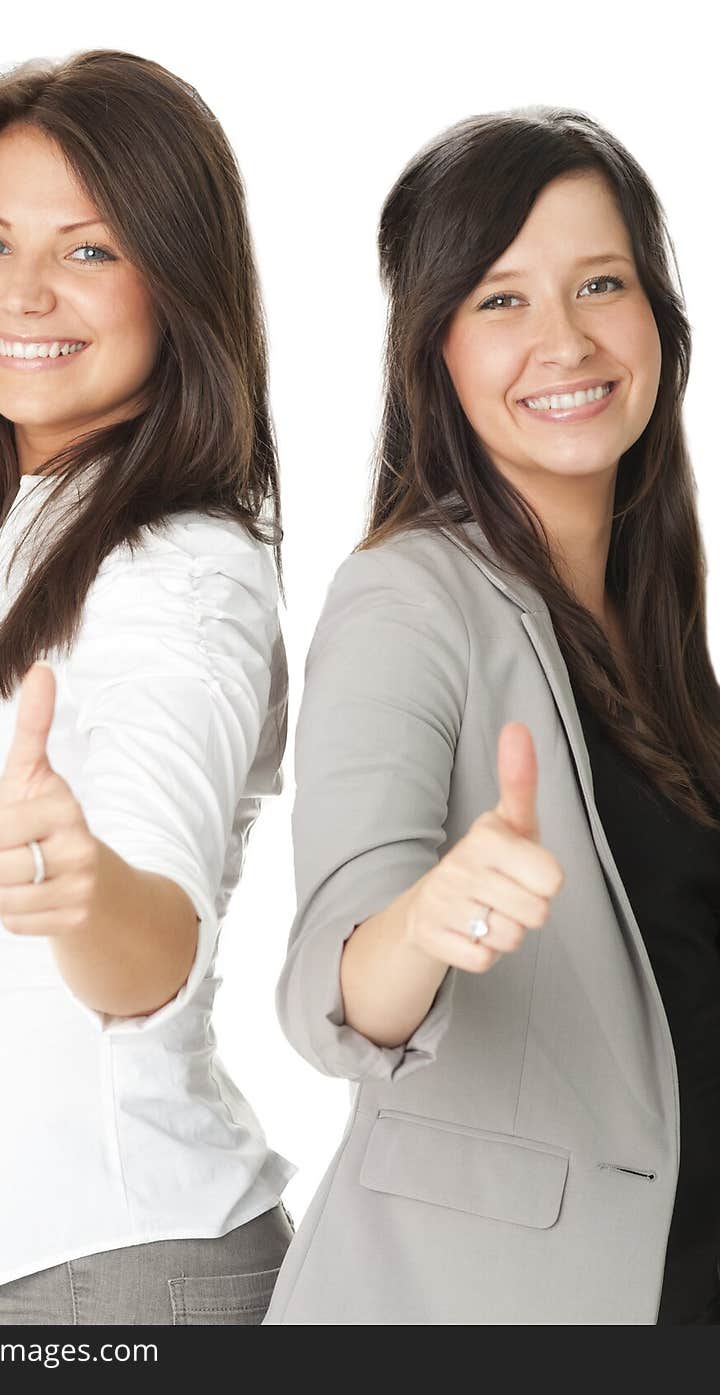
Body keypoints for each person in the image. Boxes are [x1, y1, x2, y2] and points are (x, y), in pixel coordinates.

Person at [263, 106, 720, 1326]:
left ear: (661, 326)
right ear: (437, 355)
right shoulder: (406, 598)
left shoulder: (662, 626)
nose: (563, 341)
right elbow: (333, 984)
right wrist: (431, 915)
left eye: (599, 284)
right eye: (500, 301)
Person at [0, 48, 295, 1326]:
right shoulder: (51, 516)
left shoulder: (180, 571)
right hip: (21, 1276)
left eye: (91, 251)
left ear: (181, 284)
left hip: (110, 1280)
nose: (24, 292)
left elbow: (153, 935)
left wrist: (88, 890)